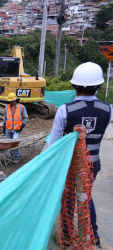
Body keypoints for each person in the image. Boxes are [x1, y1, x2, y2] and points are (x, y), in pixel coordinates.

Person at [48, 62, 112, 248]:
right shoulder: (108, 109)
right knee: (85, 197)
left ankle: (67, 238)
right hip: (93, 163)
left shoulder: (65, 110)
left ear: (74, 85)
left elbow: (54, 144)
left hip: (69, 165)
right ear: (99, 86)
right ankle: (93, 237)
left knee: (68, 197)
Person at [3, 92, 28, 164]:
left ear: (16, 100)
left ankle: (17, 157)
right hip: (8, 129)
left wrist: (22, 126)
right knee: (10, 144)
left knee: (15, 143)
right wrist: (4, 126)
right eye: (10, 101)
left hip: (16, 129)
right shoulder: (7, 107)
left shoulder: (21, 107)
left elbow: (26, 117)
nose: (11, 102)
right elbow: (5, 117)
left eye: (12, 101)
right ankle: (12, 155)